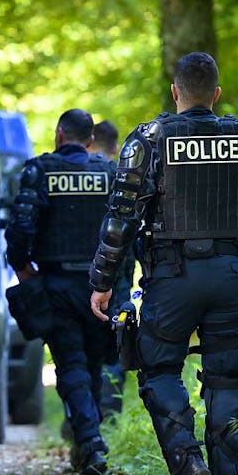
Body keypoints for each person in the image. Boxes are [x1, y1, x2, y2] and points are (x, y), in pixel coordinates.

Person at [88, 52, 238, 475]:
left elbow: (120, 219)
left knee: (158, 370)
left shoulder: (149, 140)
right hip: (235, 277)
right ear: (217, 94)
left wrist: (102, 282)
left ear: (175, 92)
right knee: (227, 380)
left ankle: (187, 462)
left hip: (172, 279)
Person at [5, 108, 116, 475]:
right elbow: (125, 229)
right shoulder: (108, 173)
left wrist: (21, 266)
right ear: (90, 140)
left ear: (59, 134)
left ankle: (90, 442)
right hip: (100, 286)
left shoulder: (40, 171)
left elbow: (21, 226)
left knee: (71, 364)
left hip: (56, 284)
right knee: (93, 364)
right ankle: (89, 442)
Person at [91, 119, 132, 418]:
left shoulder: (79, 174)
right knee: (117, 344)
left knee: (82, 348)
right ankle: (109, 416)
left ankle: (84, 418)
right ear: (116, 147)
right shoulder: (125, 178)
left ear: (89, 142)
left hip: (80, 277)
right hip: (120, 277)